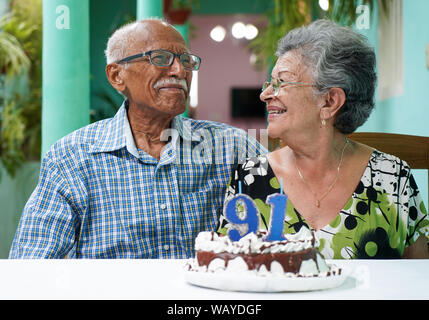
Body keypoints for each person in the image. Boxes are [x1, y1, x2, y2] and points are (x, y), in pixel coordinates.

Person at [9, 19, 265, 258]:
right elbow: (34, 265)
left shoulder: (234, 148)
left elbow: (281, 244)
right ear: (116, 76)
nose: (179, 70)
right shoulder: (72, 158)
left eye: (186, 61)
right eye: (160, 58)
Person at [218, 19, 429, 259]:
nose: (265, 94)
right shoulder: (249, 177)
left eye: (282, 83)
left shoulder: (392, 177)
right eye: (270, 84)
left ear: (329, 101)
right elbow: (230, 270)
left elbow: (421, 277)